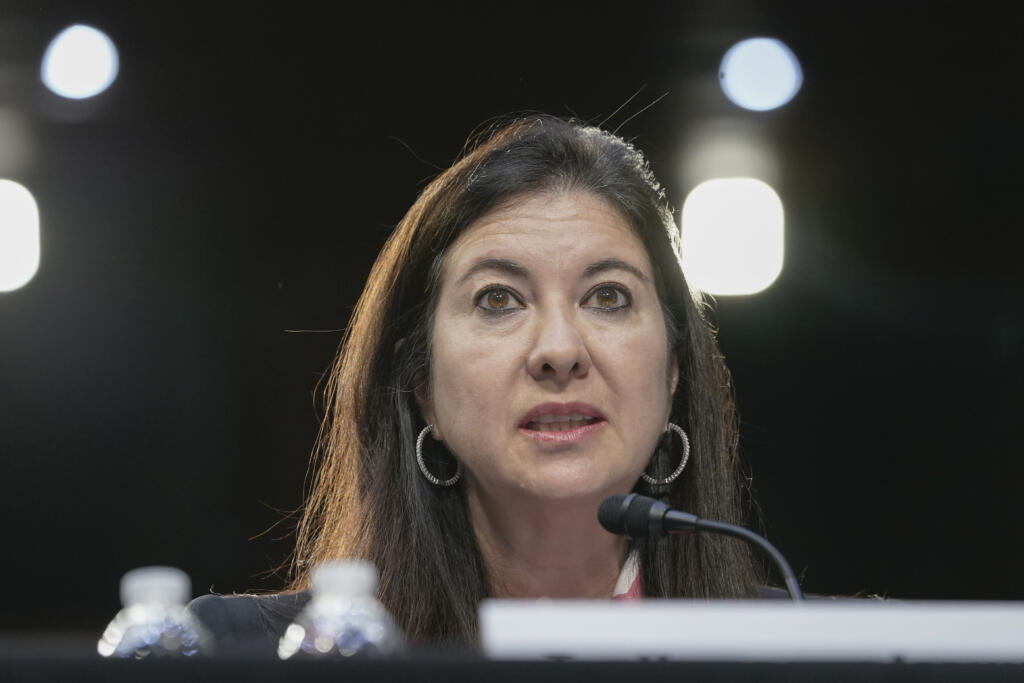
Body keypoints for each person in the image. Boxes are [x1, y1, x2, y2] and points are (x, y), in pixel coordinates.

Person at [189, 114, 765, 651]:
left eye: (607, 297)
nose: (559, 351)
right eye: (498, 300)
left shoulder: (809, 652)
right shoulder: (250, 653)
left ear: (671, 371)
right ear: (421, 387)